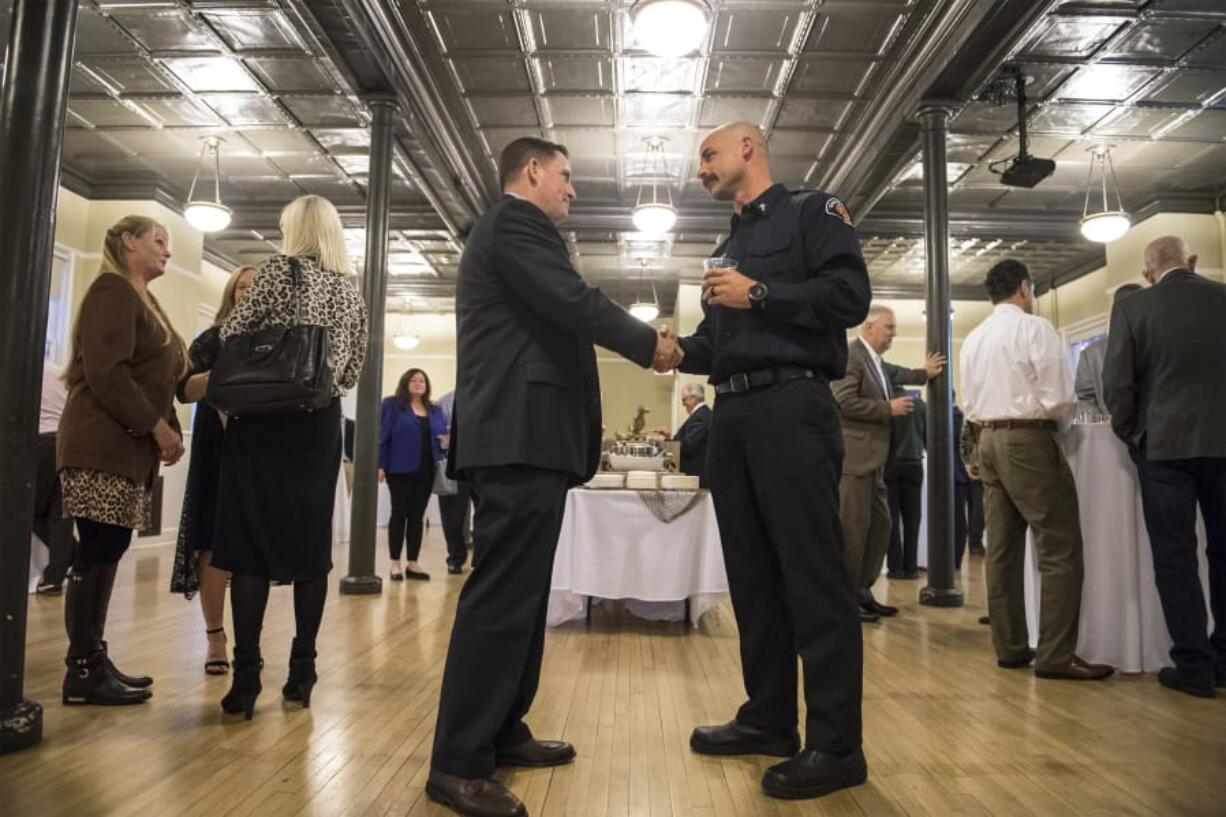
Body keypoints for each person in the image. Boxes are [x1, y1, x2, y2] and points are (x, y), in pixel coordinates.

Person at [426, 137, 669, 817]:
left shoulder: (516, 231)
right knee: (502, 597)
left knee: (524, 597)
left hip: (528, 436)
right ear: (531, 171)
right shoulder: (512, 223)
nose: (572, 189)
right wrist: (651, 343)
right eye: (565, 176)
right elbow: (573, 302)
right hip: (516, 435)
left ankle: (502, 730)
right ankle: (456, 762)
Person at [672, 121, 870, 801]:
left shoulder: (815, 212)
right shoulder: (726, 245)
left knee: (813, 579)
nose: (700, 168)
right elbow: (715, 342)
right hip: (733, 415)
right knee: (753, 579)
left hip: (793, 407)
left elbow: (850, 298)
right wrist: (674, 349)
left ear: (748, 147)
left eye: (708, 154)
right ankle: (768, 719)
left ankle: (837, 744)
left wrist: (759, 292)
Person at [210, 195, 368, 719]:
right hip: (318, 425)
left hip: (261, 425)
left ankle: (247, 677)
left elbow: (235, 332)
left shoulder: (278, 270)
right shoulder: (350, 289)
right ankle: (302, 671)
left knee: (249, 548)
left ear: (293, 229)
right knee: (309, 552)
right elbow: (353, 369)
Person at [960, 259, 1112, 681]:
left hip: (986, 439)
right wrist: (1061, 431)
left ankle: (1009, 648)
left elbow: (968, 402)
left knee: (1003, 550)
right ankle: (1056, 655)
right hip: (1027, 439)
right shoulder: (1034, 329)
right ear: (1024, 288)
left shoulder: (974, 338)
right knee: (1060, 548)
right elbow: (1060, 398)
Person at [57, 215, 187, 705]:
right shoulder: (112, 290)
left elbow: (155, 379)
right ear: (128, 242)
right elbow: (109, 374)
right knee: (97, 548)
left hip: (124, 447)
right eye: (159, 241)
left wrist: (168, 425)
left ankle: (92, 656)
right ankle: (83, 669)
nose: (168, 252)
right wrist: (156, 428)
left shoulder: (141, 300)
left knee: (106, 548)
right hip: (101, 443)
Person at [1103, 236, 1226, 698]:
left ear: (1148, 271)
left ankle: (1193, 663)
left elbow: (1119, 385)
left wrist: (1134, 435)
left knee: (1175, 558)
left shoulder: (1135, 309)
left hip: (1164, 449)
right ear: (1191, 262)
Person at [170, 265, 256, 675]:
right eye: (241, 287)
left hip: (259, 451)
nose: (248, 293)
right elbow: (184, 390)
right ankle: (216, 638)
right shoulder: (212, 339)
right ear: (231, 293)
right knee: (213, 541)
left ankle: (250, 641)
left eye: (256, 288)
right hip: (216, 447)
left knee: (252, 545)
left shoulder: (275, 342)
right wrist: (223, 374)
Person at [833, 304, 943, 622]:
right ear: (868, 328)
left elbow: (897, 373)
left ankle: (862, 591)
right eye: (889, 327)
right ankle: (845, 600)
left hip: (877, 462)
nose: (894, 333)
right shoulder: (852, 355)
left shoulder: (874, 360)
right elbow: (843, 400)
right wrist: (887, 408)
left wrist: (925, 373)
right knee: (852, 534)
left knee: (880, 528)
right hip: (855, 461)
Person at [378, 368, 447, 582]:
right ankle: (395, 563)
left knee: (418, 516)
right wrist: (380, 465)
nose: (419, 383)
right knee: (399, 514)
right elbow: (383, 436)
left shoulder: (434, 410)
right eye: (414, 380)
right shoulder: (392, 405)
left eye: (423, 381)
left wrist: (445, 441)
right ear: (405, 382)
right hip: (399, 468)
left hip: (427, 469)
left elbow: (442, 434)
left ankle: (413, 563)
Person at [33, 361, 74, 596]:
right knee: (61, 514)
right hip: (67, 443)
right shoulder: (60, 373)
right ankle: (54, 579)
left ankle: (70, 557)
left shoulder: (28, 373)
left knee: (27, 509)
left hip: (42, 442)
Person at [1075, 283, 1143, 414]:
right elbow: (1085, 403)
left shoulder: (1157, 347)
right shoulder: (1091, 355)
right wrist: (1106, 427)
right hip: (1110, 431)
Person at [885, 387, 926, 581]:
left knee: (891, 519)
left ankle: (895, 568)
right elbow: (928, 437)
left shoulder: (889, 405)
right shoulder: (919, 405)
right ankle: (911, 568)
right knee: (913, 518)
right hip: (914, 464)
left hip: (890, 465)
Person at [436, 389, 473, 574]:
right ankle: (455, 556)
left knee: (487, 512)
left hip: (481, 462)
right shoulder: (444, 401)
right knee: (452, 516)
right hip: (454, 462)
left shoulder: (484, 394)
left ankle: (482, 556)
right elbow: (437, 431)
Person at [651, 382, 712, 486]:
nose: (683, 404)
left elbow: (688, 446)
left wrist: (665, 441)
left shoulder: (701, 417)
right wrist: (668, 438)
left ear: (693, 398)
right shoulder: (700, 415)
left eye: (684, 400)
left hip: (697, 477)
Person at [951, 397, 981, 571]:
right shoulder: (964, 416)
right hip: (966, 470)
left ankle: (956, 558)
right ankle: (961, 556)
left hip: (957, 472)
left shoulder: (952, 417)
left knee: (960, 517)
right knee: (971, 512)